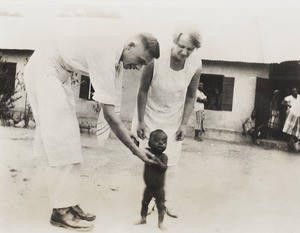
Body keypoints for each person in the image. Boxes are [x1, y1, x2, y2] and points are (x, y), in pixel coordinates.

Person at [23, 32, 160, 231]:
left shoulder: (116, 52)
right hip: (45, 70)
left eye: (142, 64)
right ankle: (60, 211)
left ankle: (68, 201)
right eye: (139, 60)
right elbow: (109, 114)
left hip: (59, 75)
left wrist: (125, 131)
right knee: (60, 141)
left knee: (70, 140)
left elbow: (112, 108)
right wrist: (135, 150)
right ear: (130, 45)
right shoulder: (107, 54)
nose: (137, 67)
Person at [132, 27, 202, 216]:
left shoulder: (195, 65)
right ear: (175, 42)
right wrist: (140, 121)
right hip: (150, 113)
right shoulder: (156, 59)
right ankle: (149, 201)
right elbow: (143, 90)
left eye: (190, 49)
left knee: (171, 162)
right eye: (181, 47)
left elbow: (190, 97)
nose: (185, 52)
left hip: (174, 116)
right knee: (152, 160)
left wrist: (184, 124)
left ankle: (164, 202)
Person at [136, 129, 168, 230]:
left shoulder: (164, 157)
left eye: (164, 141)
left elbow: (163, 168)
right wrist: (136, 142)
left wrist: (156, 159)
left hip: (159, 188)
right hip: (148, 187)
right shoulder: (147, 152)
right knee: (144, 203)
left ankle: (160, 223)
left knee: (160, 206)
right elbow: (138, 150)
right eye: (157, 140)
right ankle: (143, 218)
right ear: (149, 142)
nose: (160, 143)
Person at [282, 87, 300, 151]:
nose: (295, 92)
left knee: (296, 128)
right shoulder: (288, 97)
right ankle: (290, 141)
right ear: (292, 92)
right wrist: (288, 105)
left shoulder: (299, 97)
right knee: (290, 127)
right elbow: (282, 103)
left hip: (298, 115)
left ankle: (292, 141)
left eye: (296, 91)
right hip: (291, 114)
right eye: (294, 91)